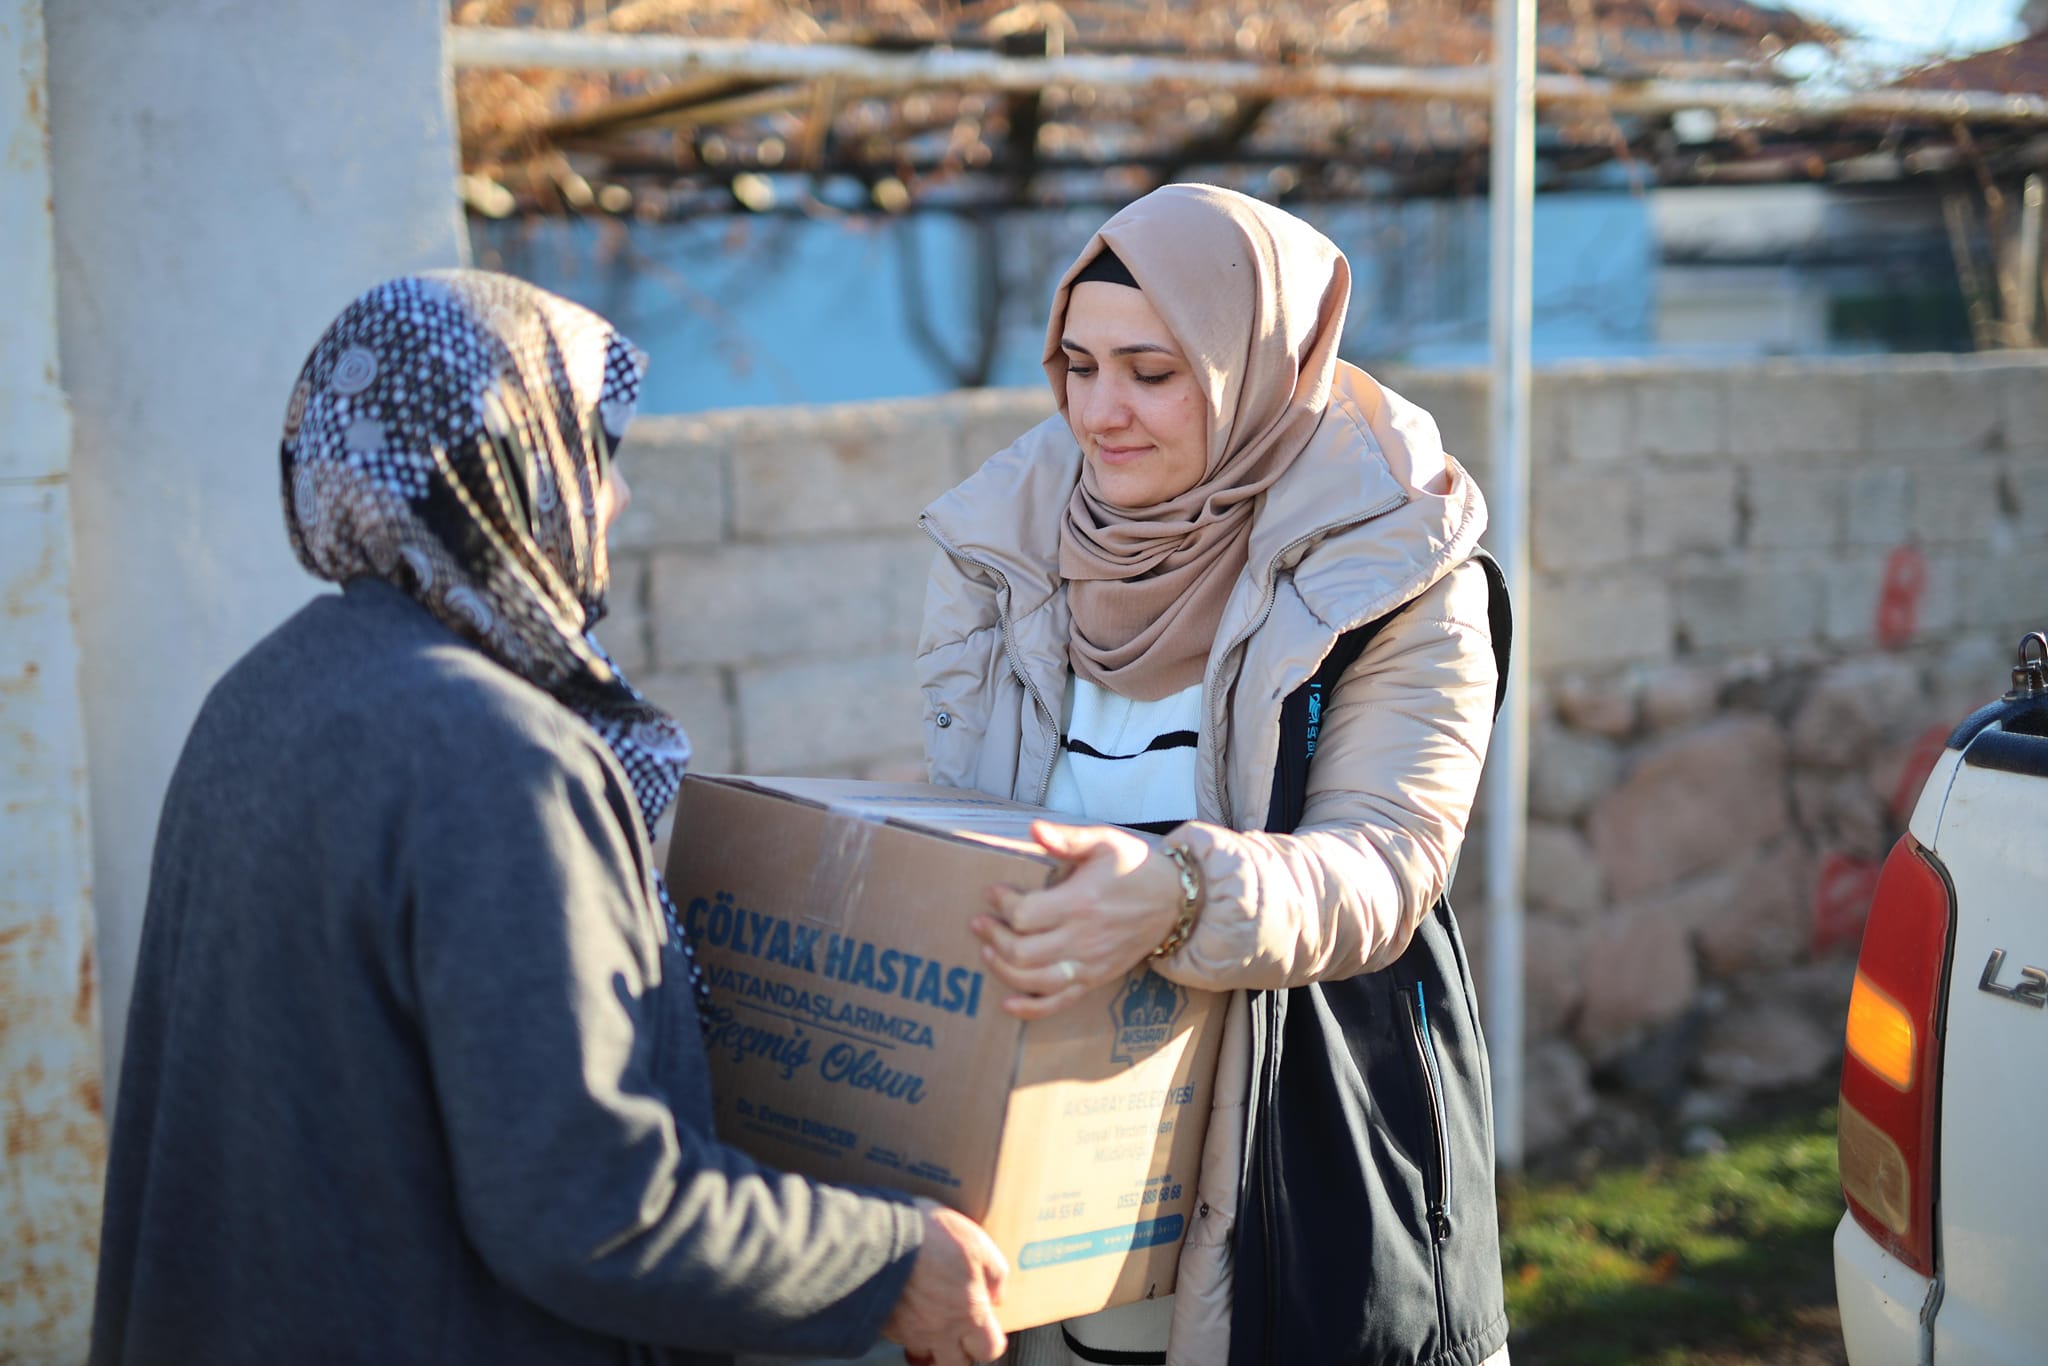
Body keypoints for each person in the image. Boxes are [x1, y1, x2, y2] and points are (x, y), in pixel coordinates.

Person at [91, 270, 1008, 1366]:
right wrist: (887, 1262)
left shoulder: (260, 695)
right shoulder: (496, 755)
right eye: (593, 450)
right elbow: (591, 1201)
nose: (612, 498)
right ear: (508, 464)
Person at [916, 185, 1511, 1366]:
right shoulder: (1003, 544)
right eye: (1077, 364)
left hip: (1291, 1153)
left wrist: (1180, 895)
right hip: (1047, 1196)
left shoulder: (1396, 560)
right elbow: (963, 833)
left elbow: (1387, 861)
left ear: (1256, 362)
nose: (1099, 412)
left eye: (1151, 370)